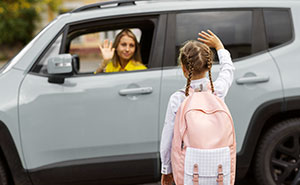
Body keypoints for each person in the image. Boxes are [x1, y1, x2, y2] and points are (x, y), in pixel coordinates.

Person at [160, 30, 235, 185]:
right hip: (219, 167)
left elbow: (167, 138)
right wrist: (219, 47)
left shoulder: (178, 99)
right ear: (209, 67)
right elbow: (228, 70)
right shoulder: (217, 92)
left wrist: (166, 169)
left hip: (189, 170)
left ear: (183, 68)